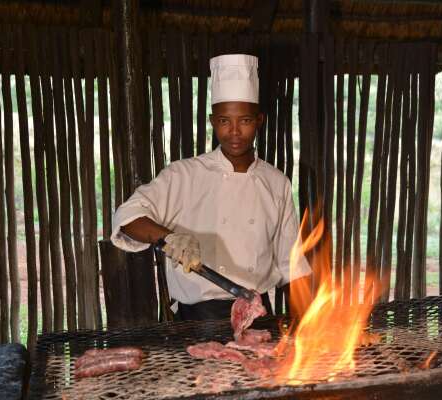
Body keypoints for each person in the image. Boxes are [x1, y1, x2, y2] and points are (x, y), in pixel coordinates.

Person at [111, 54, 311, 320]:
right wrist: (168, 238)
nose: (235, 131)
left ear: (259, 120)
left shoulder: (276, 183)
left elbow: (291, 266)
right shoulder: (184, 174)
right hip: (198, 321)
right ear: (212, 121)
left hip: (259, 317)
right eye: (224, 121)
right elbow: (127, 217)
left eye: (245, 120)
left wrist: (312, 329)